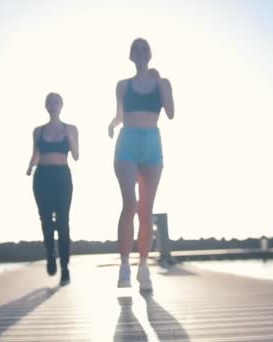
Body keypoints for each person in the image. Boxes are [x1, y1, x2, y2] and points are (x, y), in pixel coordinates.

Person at [108, 38, 175, 291]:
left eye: (145, 47)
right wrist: (112, 124)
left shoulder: (163, 83)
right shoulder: (122, 85)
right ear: (130, 56)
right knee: (129, 203)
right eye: (136, 49)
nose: (141, 52)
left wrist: (161, 83)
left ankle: (143, 267)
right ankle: (125, 264)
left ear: (151, 53)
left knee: (146, 211)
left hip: (152, 144)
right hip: (127, 143)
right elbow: (119, 114)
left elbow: (170, 112)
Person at [27, 92, 79, 286]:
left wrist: (70, 138)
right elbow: (35, 154)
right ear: (46, 106)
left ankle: (65, 268)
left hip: (62, 177)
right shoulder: (38, 131)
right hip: (42, 177)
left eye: (56, 102)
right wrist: (30, 167)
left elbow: (76, 155)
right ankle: (50, 254)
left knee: (63, 221)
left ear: (61, 105)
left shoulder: (71, 128)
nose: (53, 105)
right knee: (46, 220)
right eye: (49, 102)